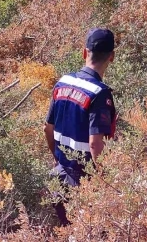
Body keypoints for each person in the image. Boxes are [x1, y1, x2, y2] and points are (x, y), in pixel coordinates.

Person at [43, 27, 117, 226]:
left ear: (84, 52)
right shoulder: (99, 93)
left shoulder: (62, 83)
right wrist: (106, 181)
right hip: (84, 184)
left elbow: (47, 129)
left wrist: (59, 159)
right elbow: (95, 144)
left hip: (58, 177)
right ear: (112, 57)